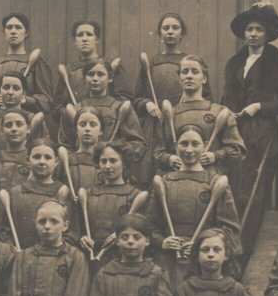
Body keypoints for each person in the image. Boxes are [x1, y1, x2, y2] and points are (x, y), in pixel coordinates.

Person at [222, 3, 278, 254]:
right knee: (232, 190)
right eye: (249, 29)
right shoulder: (234, 63)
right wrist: (228, 112)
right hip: (234, 132)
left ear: (268, 34)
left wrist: (259, 107)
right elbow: (228, 96)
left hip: (262, 135)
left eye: (259, 30)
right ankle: (228, 247)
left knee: (253, 194)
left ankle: (246, 249)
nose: (253, 34)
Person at [147, 124, 241, 287]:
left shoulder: (215, 182)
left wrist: (202, 244)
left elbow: (230, 230)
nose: (189, 150)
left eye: (195, 144)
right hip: (167, 263)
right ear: (176, 145)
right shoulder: (164, 182)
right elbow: (148, 227)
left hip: (203, 265)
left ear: (205, 145)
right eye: (184, 143)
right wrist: (162, 241)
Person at [58, 59, 148, 187]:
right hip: (80, 173)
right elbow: (64, 143)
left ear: (110, 78)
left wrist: (115, 151)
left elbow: (138, 145)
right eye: (90, 74)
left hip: (112, 173)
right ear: (84, 78)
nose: (95, 78)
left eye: (100, 74)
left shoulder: (118, 108)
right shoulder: (76, 109)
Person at [154, 55, 245, 180]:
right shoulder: (170, 114)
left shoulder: (219, 112)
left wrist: (216, 156)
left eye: (195, 72)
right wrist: (169, 159)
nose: (189, 76)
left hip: (211, 181)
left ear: (204, 79)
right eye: (184, 72)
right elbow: (158, 153)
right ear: (180, 79)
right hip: (177, 182)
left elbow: (238, 151)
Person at [134, 12, 211, 153]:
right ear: (160, 33)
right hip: (153, 126)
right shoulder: (150, 63)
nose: (170, 32)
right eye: (166, 28)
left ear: (182, 33)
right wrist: (147, 104)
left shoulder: (190, 63)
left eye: (175, 28)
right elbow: (137, 98)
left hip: (183, 123)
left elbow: (206, 97)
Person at [78, 141, 144, 268]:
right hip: (89, 260)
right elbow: (78, 228)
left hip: (122, 261)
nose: (107, 166)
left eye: (113, 161)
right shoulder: (89, 193)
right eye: (103, 161)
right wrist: (82, 238)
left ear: (124, 163)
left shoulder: (134, 195)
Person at [0, 12, 54, 116]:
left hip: (26, 122)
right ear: (4, 32)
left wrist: (26, 100)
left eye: (18, 28)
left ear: (26, 33)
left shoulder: (36, 62)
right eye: (9, 27)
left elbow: (47, 101)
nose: (13, 31)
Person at [53, 20, 133, 116]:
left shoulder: (110, 66)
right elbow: (57, 107)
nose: (84, 39)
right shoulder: (68, 71)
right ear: (75, 41)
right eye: (80, 35)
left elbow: (125, 99)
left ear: (97, 39)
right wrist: (73, 115)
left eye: (89, 34)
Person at [6, 138, 72, 249]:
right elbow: (5, 231)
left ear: (56, 162)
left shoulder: (62, 192)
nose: (42, 162)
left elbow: (70, 233)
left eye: (48, 158)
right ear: (28, 160)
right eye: (36, 157)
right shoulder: (15, 193)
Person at [0, 72, 49, 146]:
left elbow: (44, 147)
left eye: (16, 88)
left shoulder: (32, 119)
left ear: (23, 94)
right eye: (6, 87)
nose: (10, 92)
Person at [0, 109, 32, 190]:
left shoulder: (33, 158)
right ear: (2, 130)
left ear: (28, 129)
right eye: (8, 125)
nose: (14, 129)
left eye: (19, 124)